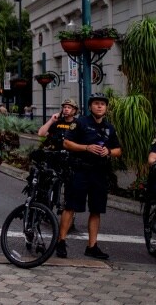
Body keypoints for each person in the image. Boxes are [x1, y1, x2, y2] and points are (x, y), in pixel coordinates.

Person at [55, 92, 122, 260]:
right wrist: (86, 148)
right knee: (70, 207)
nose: (100, 106)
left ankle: (92, 246)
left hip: (99, 173)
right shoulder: (80, 123)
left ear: (106, 108)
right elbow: (66, 143)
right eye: (96, 103)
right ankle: (61, 241)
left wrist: (108, 152)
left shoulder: (109, 128)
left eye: (103, 104)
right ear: (90, 106)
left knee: (96, 210)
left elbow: (118, 150)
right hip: (80, 171)